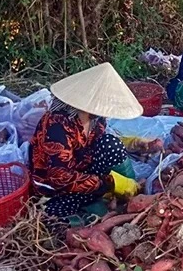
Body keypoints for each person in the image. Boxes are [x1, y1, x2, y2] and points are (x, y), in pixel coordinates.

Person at [30, 63, 142, 219]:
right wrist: (109, 183)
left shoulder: (97, 119)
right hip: (55, 187)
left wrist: (134, 144)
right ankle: (97, 203)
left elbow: (98, 144)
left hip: (82, 171)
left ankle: (132, 193)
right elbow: (60, 178)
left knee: (111, 144)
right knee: (54, 212)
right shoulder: (56, 126)